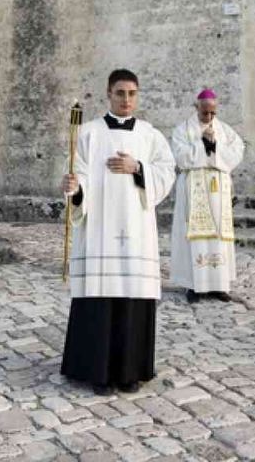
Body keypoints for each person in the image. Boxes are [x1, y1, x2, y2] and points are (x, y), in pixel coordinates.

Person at [61, 69, 176, 394]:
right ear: (108, 95)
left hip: (137, 229)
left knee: (132, 299)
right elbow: (78, 172)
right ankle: (98, 372)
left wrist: (138, 168)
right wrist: (74, 188)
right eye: (120, 93)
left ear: (137, 96)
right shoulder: (88, 133)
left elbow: (167, 171)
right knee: (101, 298)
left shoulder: (150, 135)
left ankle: (130, 372)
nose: (126, 100)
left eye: (132, 94)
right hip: (99, 228)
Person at [169, 88, 246, 304]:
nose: (210, 117)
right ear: (197, 108)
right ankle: (194, 285)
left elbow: (237, 150)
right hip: (194, 190)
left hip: (218, 190)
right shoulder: (183, 130)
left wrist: (215, 146)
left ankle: (219, 284)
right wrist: (202, 144)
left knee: (219, 236)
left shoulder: (224, 130)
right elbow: (180, 157)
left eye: (213, 113)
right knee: (195, 236)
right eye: (205, 113)